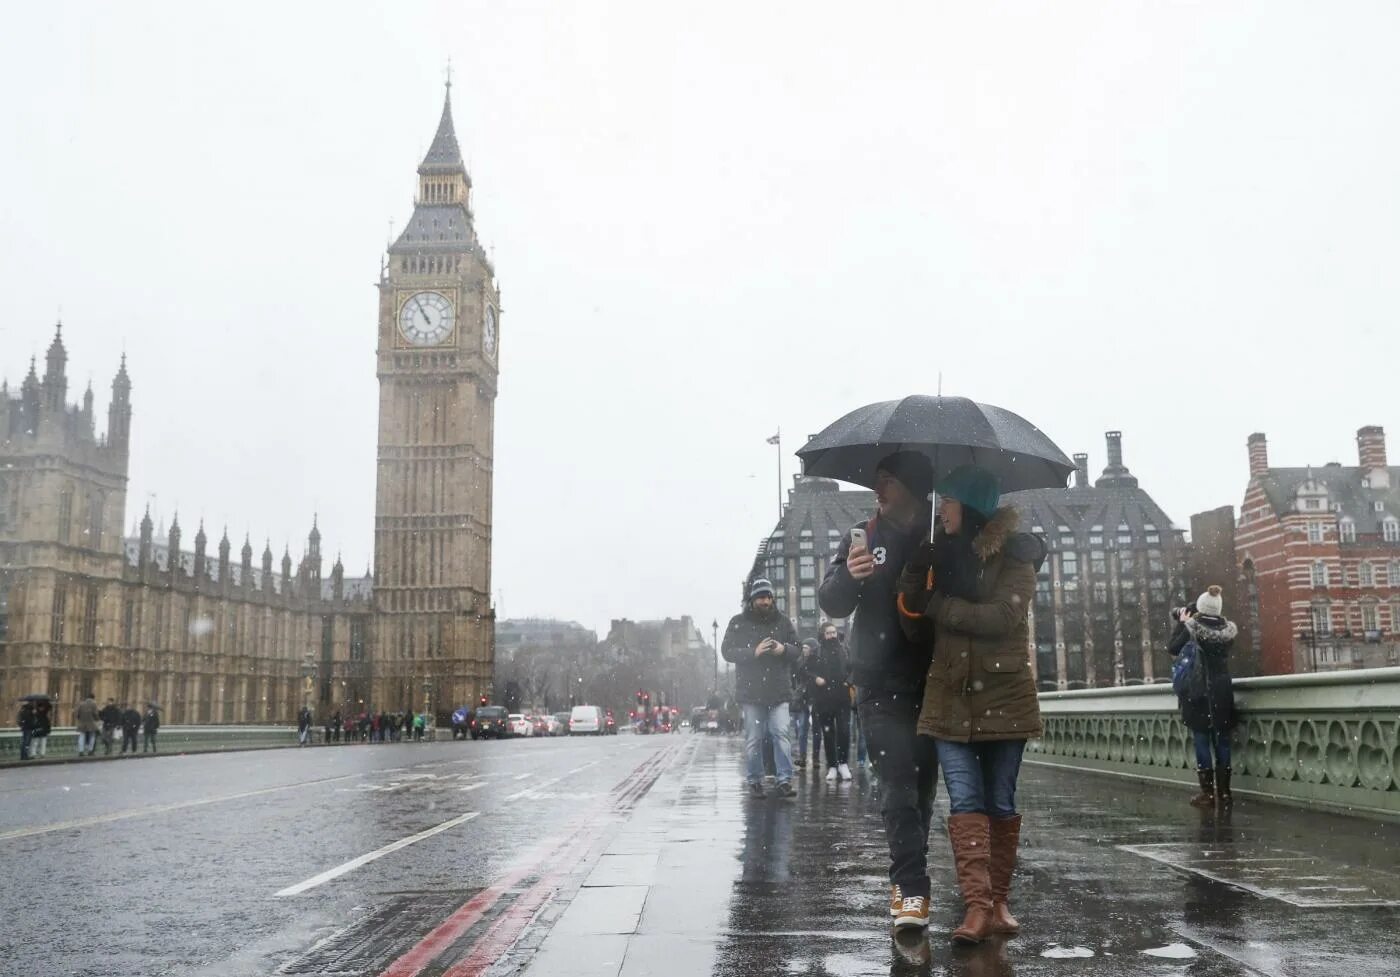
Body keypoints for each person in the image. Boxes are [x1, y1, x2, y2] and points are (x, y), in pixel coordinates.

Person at [896, 464, 1045, 946]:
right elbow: (915, 629)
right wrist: (914, 577)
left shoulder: (1016, 558)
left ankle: (998, 901)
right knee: (964, 803)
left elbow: (1003, 617)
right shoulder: (942, 557)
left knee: (1000, 802)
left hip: (1005, 698)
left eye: (950, 504)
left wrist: (940, 605)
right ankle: (977, 907)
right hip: (949, 699)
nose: (942, 514)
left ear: (973, 509)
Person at [819, 451, 939, 931]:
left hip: (933, 680)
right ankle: (910, 888)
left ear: (910, 486)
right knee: (896, 785)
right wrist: (850, 573)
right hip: (878, 681)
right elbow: (831, 599)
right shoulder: (862, 536)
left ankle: (911, 870)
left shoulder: (941, 533)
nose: (877, 489)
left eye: (887, 481)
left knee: (923, 788)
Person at [721, 578, 800, 799]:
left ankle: (784, 780)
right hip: (751, 692)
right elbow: (727, 651)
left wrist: (784, 649)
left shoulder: (783, 622)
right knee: (754, 738)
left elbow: (798, 650)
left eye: (768, 597)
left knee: (781, 735)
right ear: (752, 599)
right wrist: (752, 652)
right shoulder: (737, 622)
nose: (765, 601)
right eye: (761, 597)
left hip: (778, 691)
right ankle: (754, 780)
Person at [1170, 586, 1239, 809]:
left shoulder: (1192, 627)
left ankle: (1208, 794)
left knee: (1202, 738)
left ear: (1199, 608)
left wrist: (1182, 622)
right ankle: (1226, 793)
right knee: (1223, 740)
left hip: (1199, 690)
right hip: (1222, 689)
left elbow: (1172, 648)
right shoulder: (1227, 631)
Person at [809, 621, 852, 783]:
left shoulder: (845, 649)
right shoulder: (816, 652)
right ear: (823, 635)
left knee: (844, 731)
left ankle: (843, 764)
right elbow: (805, 671)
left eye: (833, 632)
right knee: (828, 733)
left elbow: (853, 668)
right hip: (823, 699)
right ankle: (832, 766)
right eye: (828, 633)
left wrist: (849, 681)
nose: (832, 635)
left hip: (842, 698)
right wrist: (815, 678)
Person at [791, 639, 817, 769]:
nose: (804, 650)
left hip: (815, 698)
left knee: (816, 730)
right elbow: (795, 679)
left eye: (807, 647)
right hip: (803, 700)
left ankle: (815, 758)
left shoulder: (817, 661)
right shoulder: (799, 662)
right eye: (804, 647)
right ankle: (802, 756)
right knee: (802, 730)